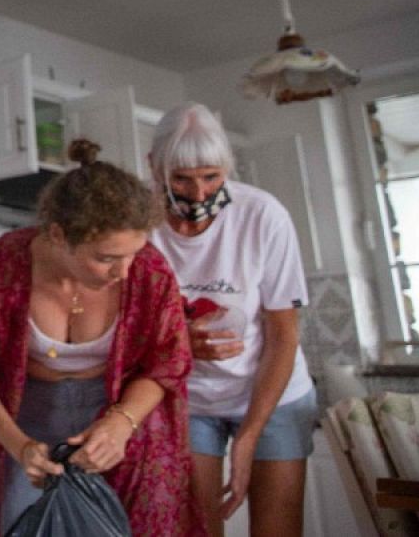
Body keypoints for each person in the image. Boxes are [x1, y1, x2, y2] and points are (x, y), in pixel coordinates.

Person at [0, 139, 204, 535]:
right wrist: (18, 445)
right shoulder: (0, 267)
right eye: (107, 258)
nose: (125, 271)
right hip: (24, 416)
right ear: (59, 235)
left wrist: (122, 422)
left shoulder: (150, 270)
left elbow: (168, 362)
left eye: (133, 253)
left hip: (122, 412)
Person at [147, 102, 316, 537]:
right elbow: (129, 331)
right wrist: (177, 340)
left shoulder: (263, 216)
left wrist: (249, 436)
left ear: (227, 168)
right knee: (198, 530)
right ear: (155, 168)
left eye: (211, 176)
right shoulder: (140, 225)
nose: (199, 193)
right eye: (182, 179)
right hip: (190, 400)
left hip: (272, 394)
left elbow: (283, 335)